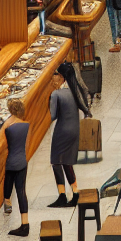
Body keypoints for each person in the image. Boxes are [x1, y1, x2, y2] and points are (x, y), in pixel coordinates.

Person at [46, 63, 89, 208]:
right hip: (74, 129)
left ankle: (62, 195)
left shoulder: (56, 94)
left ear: (62, 76)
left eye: (56, 74)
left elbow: (53, 116)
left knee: (56, 162)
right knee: (67, 162)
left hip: (62, 130)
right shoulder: (75, 91)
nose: (54, 77)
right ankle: (75, 192)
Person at [0, 97, 31, 237]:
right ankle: (25, 224)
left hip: (11, 162)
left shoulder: (7, 126)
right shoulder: (27, 125)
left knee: (8, 185)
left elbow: (2, 145)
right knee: (21, 191)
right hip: (22, 162)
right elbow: (27, 145)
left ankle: (8, 204)